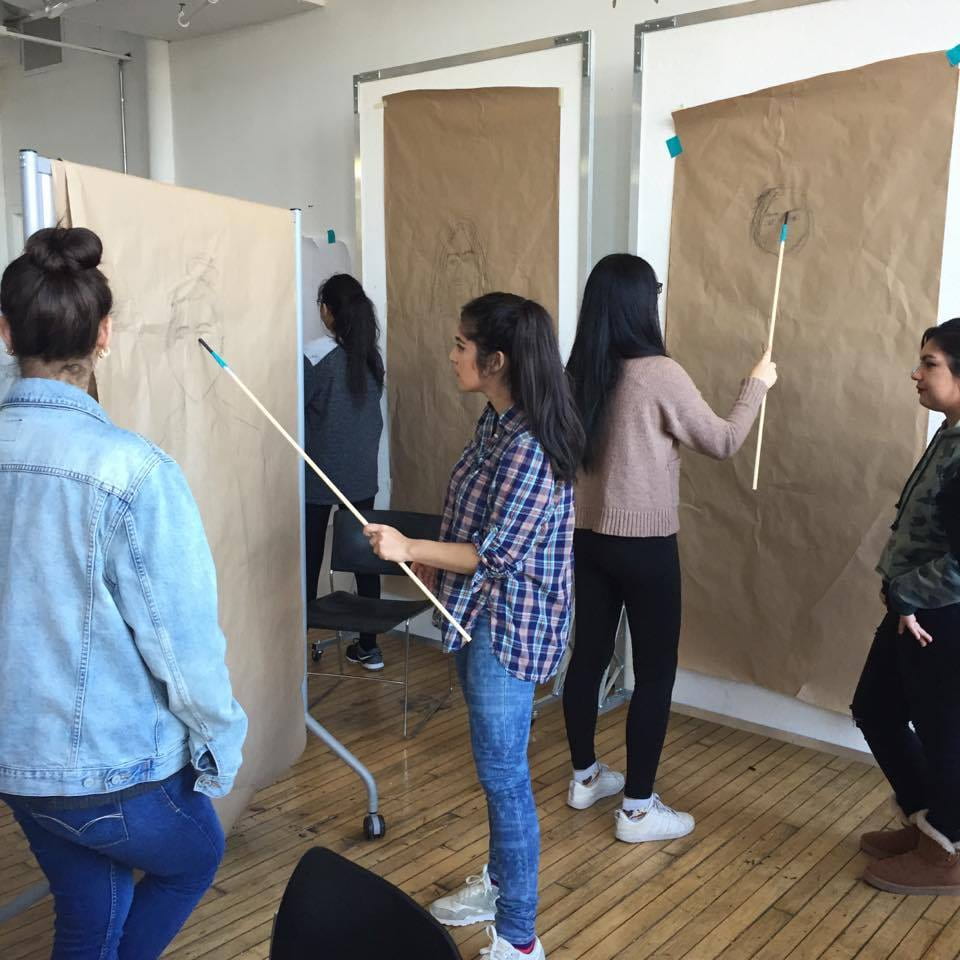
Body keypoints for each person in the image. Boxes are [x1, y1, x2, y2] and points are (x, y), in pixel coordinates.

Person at [0, 227, 248, 960]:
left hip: (16, 761)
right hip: (105, 765)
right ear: (105, 335)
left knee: (90, 903)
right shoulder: (131, 472)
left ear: (6, 331)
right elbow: (183, 642)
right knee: (196, 855)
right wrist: (221, 746)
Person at [363, 293, 584, 960]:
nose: (452, 354)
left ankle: (519, 938)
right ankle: (496, 884)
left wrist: (410, 550)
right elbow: (473, 529)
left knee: (505, 776)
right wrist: (431, 564)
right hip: (475, 614)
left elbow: (497, 554)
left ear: (495, 360)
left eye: (462, 345)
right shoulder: (495, 425)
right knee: (496, 772)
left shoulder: (528, 446)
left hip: (509, 628)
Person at [561, 253, 777, 843]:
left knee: (589, 656)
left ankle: (584, 778)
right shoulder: (657, 372)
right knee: (655, 674)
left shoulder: (575, 373)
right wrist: (757, 384)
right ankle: (635, 809)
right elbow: (725, 440)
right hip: (647, 547)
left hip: (588, 540)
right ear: (640, 303)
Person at [854, 318, 960, 896]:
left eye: (931, 364)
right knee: (876, 708)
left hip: (941, 617)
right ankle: (927, 826)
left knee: (946, 732)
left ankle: (948, 848)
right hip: (913, 609)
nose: (916, 373)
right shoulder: (950, 431)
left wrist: (905, 594)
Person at [304, 273, 386, 669]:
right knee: (366, 559)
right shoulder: (370, 356)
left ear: (328, 311)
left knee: (309, 559)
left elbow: (298, 410)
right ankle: (369, 646)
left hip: (318, 477)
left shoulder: (315, 357)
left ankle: (295, 651)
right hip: (360, 476)